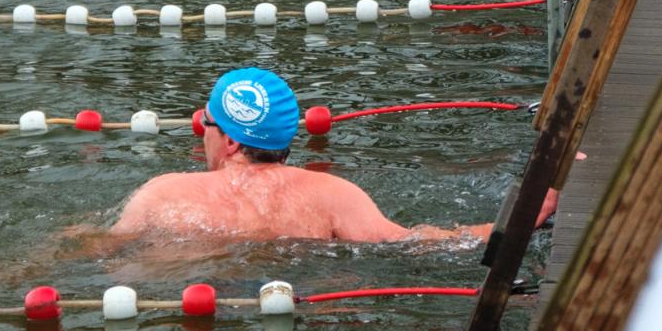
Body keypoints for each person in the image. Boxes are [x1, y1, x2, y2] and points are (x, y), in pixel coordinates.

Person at [110, 67, 558, 242]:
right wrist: (510, 223)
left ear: (229, 141)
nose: (200, 130)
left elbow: (103, 251)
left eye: (206, 122)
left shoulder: (163, 194)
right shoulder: (333, 194)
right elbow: (414, 244)